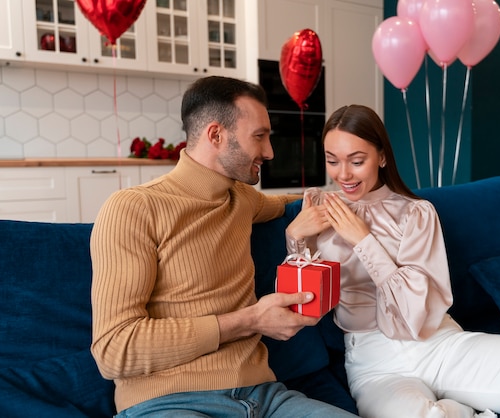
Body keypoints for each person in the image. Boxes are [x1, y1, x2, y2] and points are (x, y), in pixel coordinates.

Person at [285, 104, 500, 418]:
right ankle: (458, 409)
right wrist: (294, 236)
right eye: (332, 161)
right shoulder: (318, 208)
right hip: (374, 364)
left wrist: (364, 241)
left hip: (439, 343)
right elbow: (305, 302)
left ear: (381, 157)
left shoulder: (417, 213)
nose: (343, 174)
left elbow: (413, 313)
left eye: (357, 161)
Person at [89, 76, 358, 418]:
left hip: (267, 397)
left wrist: (359, 198)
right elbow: (115, 350)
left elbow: (292, 202)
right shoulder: (134, 208)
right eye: (259, 137)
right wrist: (251, 320)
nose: (270, 152)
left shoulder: (241, 198)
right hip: (169, 402)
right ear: (216, 135)